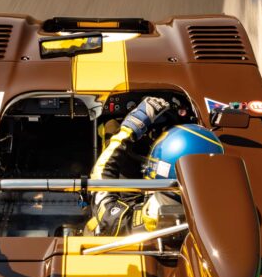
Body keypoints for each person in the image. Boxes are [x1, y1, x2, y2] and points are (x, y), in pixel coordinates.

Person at [86, 96, 224, 236]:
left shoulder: (148, 220)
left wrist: (128, 130)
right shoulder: (225, 211)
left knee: (91, 227)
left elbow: (100, 187)